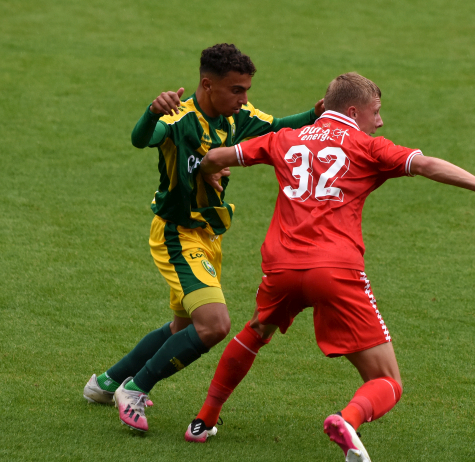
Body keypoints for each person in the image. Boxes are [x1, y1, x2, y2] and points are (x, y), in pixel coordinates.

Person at [185, 72, 475, 462]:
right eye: (376, 112)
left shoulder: (286, 137)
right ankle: (348, 420)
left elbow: (217, 157)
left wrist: (207, 174)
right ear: (352, 111)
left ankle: (203, 420)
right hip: (335, 270)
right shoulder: (368, 146)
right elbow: (428, 165)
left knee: (256, 331)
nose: (380, 122)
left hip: (282, 268)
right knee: (387, 381)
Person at [82, 43, 325, 433]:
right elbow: (141, 138)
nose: (244, 98)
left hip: (209, 237)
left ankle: (106, 383)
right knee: (213, 324)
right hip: (178, 236)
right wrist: (151, 112)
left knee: (181, 329)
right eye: (237, 90)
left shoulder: (237, 116)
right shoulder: (179, 118)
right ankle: (136, 387)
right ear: (207, 85)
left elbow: (279, 126)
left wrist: (317, 113)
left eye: (246, 90)